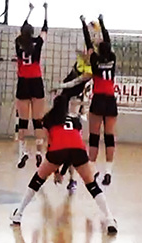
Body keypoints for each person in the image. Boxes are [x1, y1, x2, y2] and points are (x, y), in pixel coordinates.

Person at [10, 94, 117, 235]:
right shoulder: (76, 120)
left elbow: (50, 145)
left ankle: (19, 214)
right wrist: (63, 171)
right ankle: (109, 218)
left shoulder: (48, 119)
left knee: (37, 180)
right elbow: (72, 146)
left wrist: (56, 172)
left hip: (57, 150)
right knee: (92, 185)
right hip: (78, 150)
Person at [82, 14, 117, 186]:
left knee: (94, 137)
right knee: (109, 137)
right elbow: (107, 39)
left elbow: (88, 44)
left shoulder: (95, 60)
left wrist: (83, 24)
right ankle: (108, 172)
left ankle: (93, 170)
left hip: (98, 100)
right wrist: (102, 22)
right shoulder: (113, 58)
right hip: (110, 100)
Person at [53, 49, 93, 194]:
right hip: (63, 104)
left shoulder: (89, 71)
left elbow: (72, 84)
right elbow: (81, 49)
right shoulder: (81, 60)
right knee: (58, 141)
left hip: (74, 105)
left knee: (71, 144)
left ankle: (71, 178)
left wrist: (59, 86)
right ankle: (55, 172)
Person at [15, 2, 48, 169]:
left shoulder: (18, 42)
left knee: (23, 121)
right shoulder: (38, 43)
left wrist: (29, 11)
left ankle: (23, 152)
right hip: (36, 81)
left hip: (23, 82)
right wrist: (46, 11)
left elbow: (23, 28)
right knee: (38, 121)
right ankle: (39, 153)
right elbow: (45, 29)